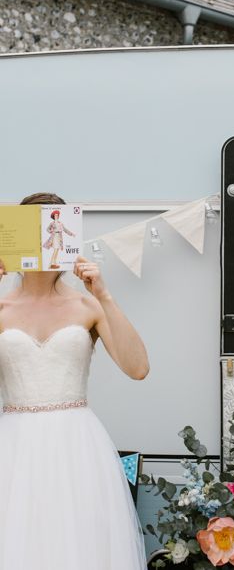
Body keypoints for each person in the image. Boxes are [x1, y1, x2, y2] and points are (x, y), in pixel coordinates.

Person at [0, 193, 150, 570]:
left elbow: (138, 368)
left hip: (77, 445)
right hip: (14, 447)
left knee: (81, 545)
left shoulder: (88, 306)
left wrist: (104, 294)